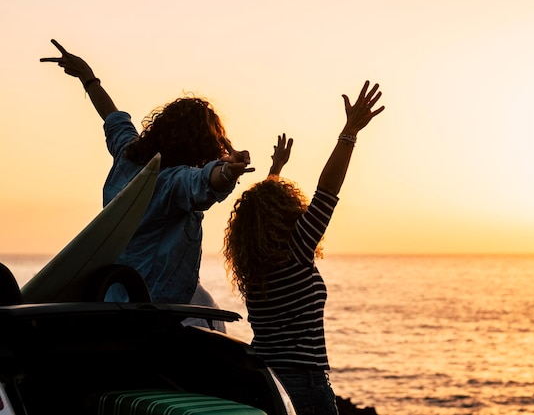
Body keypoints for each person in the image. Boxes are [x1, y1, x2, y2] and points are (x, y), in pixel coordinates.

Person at [41, 39, 253, 330]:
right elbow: (204, 182)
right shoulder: (173, 182)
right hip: (154, 313)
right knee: (211, 323)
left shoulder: (128, 155)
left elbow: (113, 119)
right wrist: (230, 171)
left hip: (112, 300)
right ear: (199, 144)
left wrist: (88, 78)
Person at [223, 81, 384, 414]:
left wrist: (274, 173)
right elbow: (327, 192)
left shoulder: (253, 267)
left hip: (264, 382)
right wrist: (349, 132)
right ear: (286, 213)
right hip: (304, 385)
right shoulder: (297, 251)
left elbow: (260, 213)